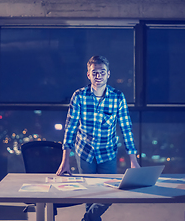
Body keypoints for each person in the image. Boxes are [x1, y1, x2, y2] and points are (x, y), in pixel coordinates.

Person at [56, 55, 140, 221]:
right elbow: (70, 128)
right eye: (94, 72)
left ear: (108, 74)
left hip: (107, 153)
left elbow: (126, 129)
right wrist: (65, 160)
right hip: (84, 153)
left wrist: (133, 160)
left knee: (109, 195)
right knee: (90, 196)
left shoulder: (118, 97)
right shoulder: (79, 96)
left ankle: (86, 219)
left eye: (102, 72)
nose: (98, 75)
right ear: (88, 75)